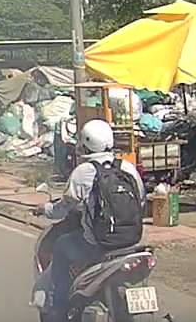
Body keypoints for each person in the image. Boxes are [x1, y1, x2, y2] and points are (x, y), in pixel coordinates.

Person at [37, 119, 145, 310]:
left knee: (61, 246)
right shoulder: (128, 168)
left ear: (85, 144)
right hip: (131, 242)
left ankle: (59, 307)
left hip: (98, 244)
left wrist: (45, 209)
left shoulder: (83, 172)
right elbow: (141, 201)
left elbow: (62, 208)